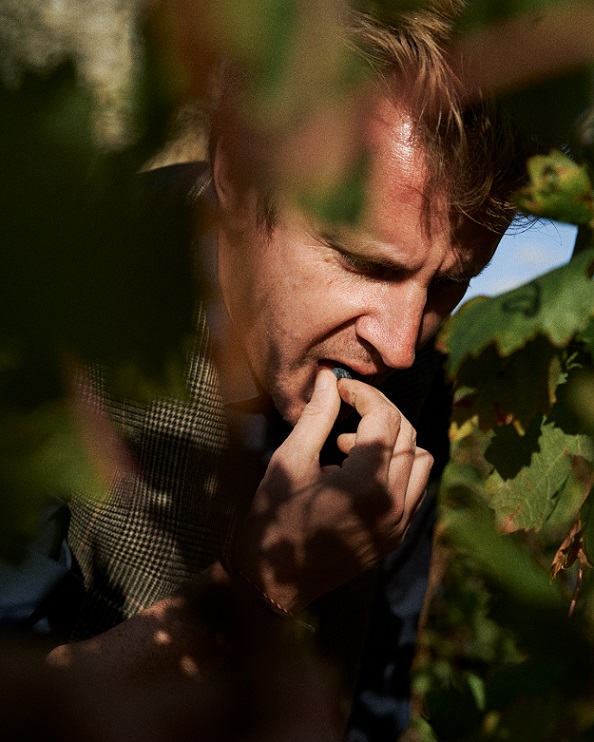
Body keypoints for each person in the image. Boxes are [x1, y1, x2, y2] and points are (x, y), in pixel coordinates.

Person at [42, 3, 529, 738]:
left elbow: (373, 683)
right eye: (365, 262)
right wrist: (254, 594)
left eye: (450, 286)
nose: (400, 345)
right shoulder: (49, 318)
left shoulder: (417, 368)